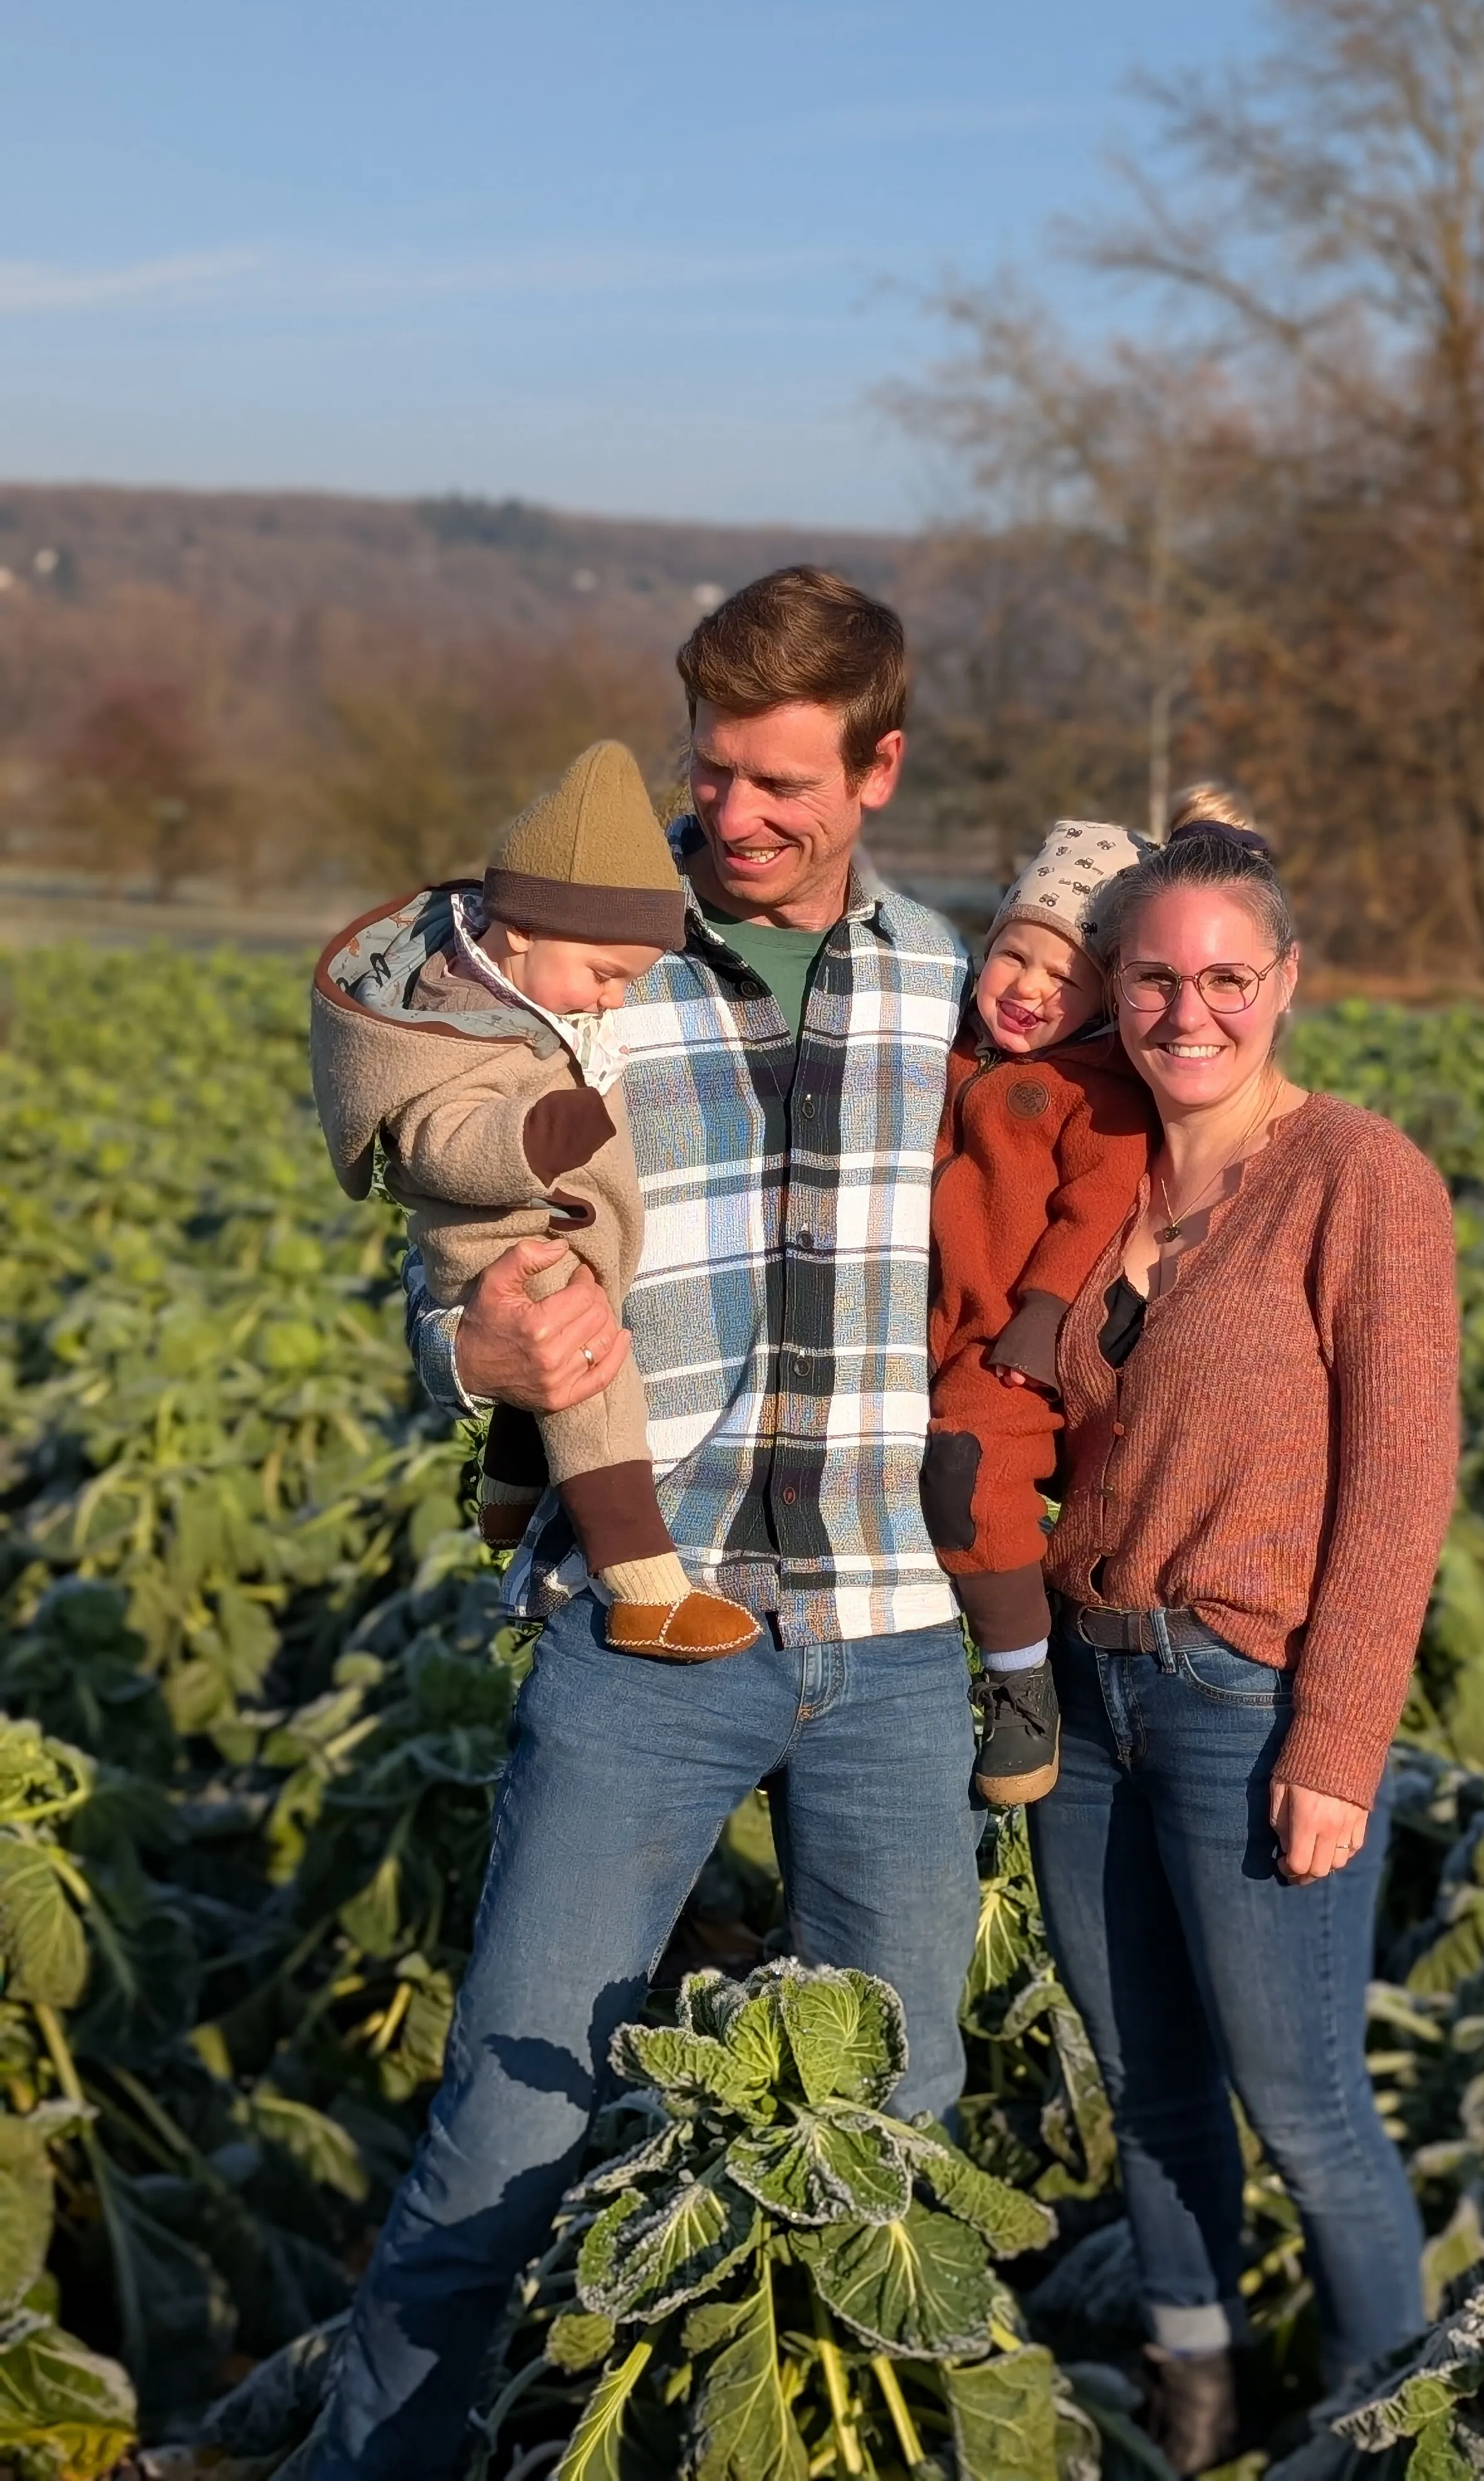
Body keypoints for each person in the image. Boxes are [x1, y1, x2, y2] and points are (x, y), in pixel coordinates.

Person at [309, 570, 982, 2480]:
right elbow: (448, 1235)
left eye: (785, 785)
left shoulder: (949, 985)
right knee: (506, 2131)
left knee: (894, 2123)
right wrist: (472, 1348)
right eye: (714, 772)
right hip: (640, 1628)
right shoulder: (585, 954)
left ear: (879, 770)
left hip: (894, 1634)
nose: (737, 817)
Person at [1028, 790, 1462, 2476]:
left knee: (1306, 2110)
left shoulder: (1360, 1178)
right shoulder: (1099, 1173)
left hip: (1251, 1702)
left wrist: (1339, 1744)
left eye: (1225, 977)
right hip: (1086, 1697)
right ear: (1114, 988)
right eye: (1153, 978)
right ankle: (1195, 2398)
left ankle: (1378, 2425)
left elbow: (1402, 1481)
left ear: (1285, 981)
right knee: (1147, 2088)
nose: (1187, 1012)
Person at [309, 738, 758, 1661]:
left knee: (549, 1378)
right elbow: (438, 1141)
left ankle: (509, 1496)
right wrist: (537, 1136)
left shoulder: (529, 991)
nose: (614, 1000)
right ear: (521, 932)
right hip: (502, 1244)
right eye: (605, 976)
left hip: (543, 1227)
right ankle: (642, 1587)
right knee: (595, 1376)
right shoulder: (450, 1020)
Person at [923, 819, 1157, 1804]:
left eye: (1067, 980)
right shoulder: (945, 1050)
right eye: (1015, 956)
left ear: (1103, 1004)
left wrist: (1046, 1312)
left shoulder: (1096, 1097)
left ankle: (1022, 1683)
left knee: (970, 1480)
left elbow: (1093, 1211)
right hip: (909, 1322)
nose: (1030, 988)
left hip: (1003, 1345)